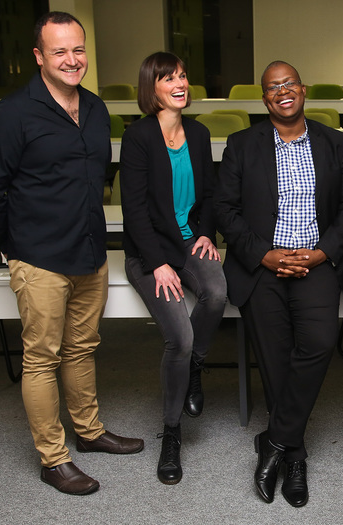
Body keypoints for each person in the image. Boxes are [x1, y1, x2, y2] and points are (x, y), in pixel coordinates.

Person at [0, 11, 143, 496]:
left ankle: (88, 433)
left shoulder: (94, 109)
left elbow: (95, 179)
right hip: (38, 258)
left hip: (89, 252)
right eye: (59, 51)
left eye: (78, 50)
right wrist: (14, 248)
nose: (72, 60)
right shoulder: (12, 113)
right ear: (39, 56)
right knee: (42, 358)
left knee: (83, 348)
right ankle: (53, 458)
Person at [213, 61, 343, 507]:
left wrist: (321, 253)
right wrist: (264, 253)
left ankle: (275, 441)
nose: (282, 91)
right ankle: (295, 458)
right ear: (265, 99)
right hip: (262, 265)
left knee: (317, 344)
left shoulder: (334, 143)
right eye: (272, 87)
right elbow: (225, 210)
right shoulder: (242, 145)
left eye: (289, 83)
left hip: (316, 263)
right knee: (276, 361)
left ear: (303, 90)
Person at [119, 52, 227, 485]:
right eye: (169, 78)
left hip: (189, 242)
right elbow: (135, 212)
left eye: (183, 75)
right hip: (148, 251)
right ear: (153, 88)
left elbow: (213, 195)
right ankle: (171, 432)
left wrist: (204, 233)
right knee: (179, 338)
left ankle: (196, 367)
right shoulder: (138, 138)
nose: (180, 83)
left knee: (217, 294)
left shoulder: (198, 134)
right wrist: (158, 263)